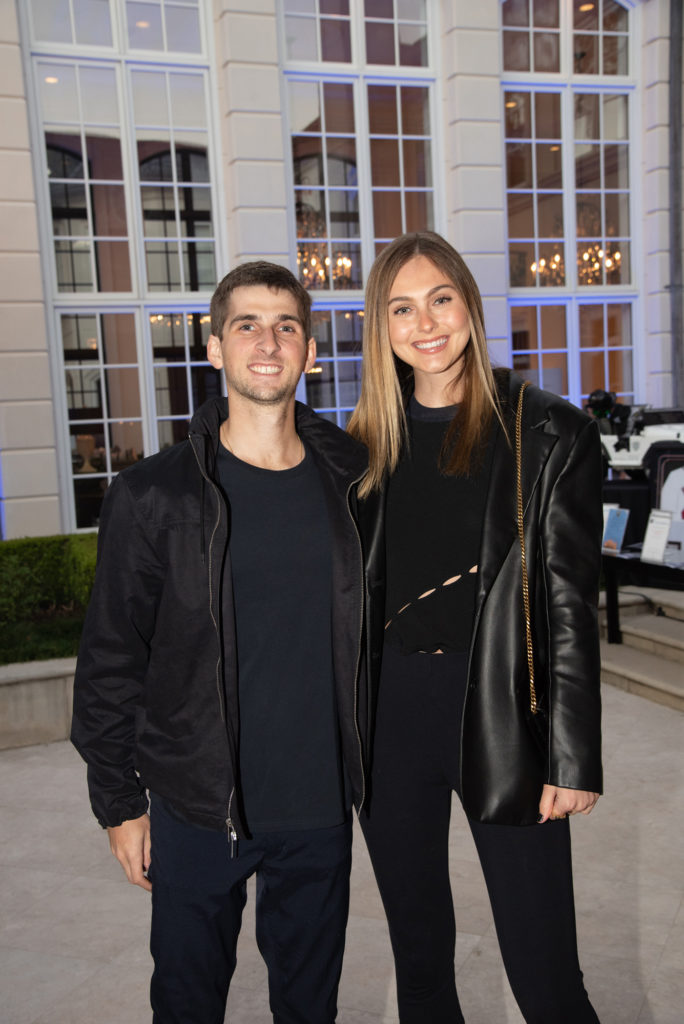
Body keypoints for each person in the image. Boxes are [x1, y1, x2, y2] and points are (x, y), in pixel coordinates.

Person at [71, 260, 368, 1024]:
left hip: (319, 804)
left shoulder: (356, 480)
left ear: (309, 350)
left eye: (286, 326)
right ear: (213, 348)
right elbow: (110, 658)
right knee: (186, 1003)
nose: (267, 342)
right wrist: (118, 802)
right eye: (247, 325)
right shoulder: (153, 494)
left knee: (311, 1009)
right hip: (196, 805)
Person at [347, 232, 603, 1023]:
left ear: (470, 305)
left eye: (440, 299)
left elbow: (569, 605)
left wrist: (573, 754)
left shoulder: (549, 431)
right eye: (401, 307)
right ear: (380, 327)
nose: (425, 323)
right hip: (389, 725)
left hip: (501, 715)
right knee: (420, 961)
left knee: (545, 971)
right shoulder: (359, 449)